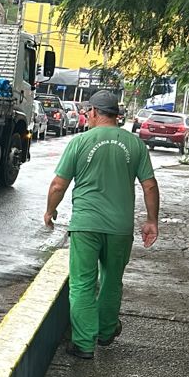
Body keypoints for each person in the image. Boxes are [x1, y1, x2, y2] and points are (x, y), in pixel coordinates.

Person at [43, 91, 161, 359]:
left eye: (88, 112)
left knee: (83, 283)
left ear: (95, 112)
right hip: (120, 227)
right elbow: (150, 185)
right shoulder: (135, 144)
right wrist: (151, 221)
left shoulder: (80, 142)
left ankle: (84, 344)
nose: (86, 116)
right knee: (111, 280)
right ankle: (107, 332)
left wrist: (51, 210)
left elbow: (58, 184)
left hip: (86, 224)